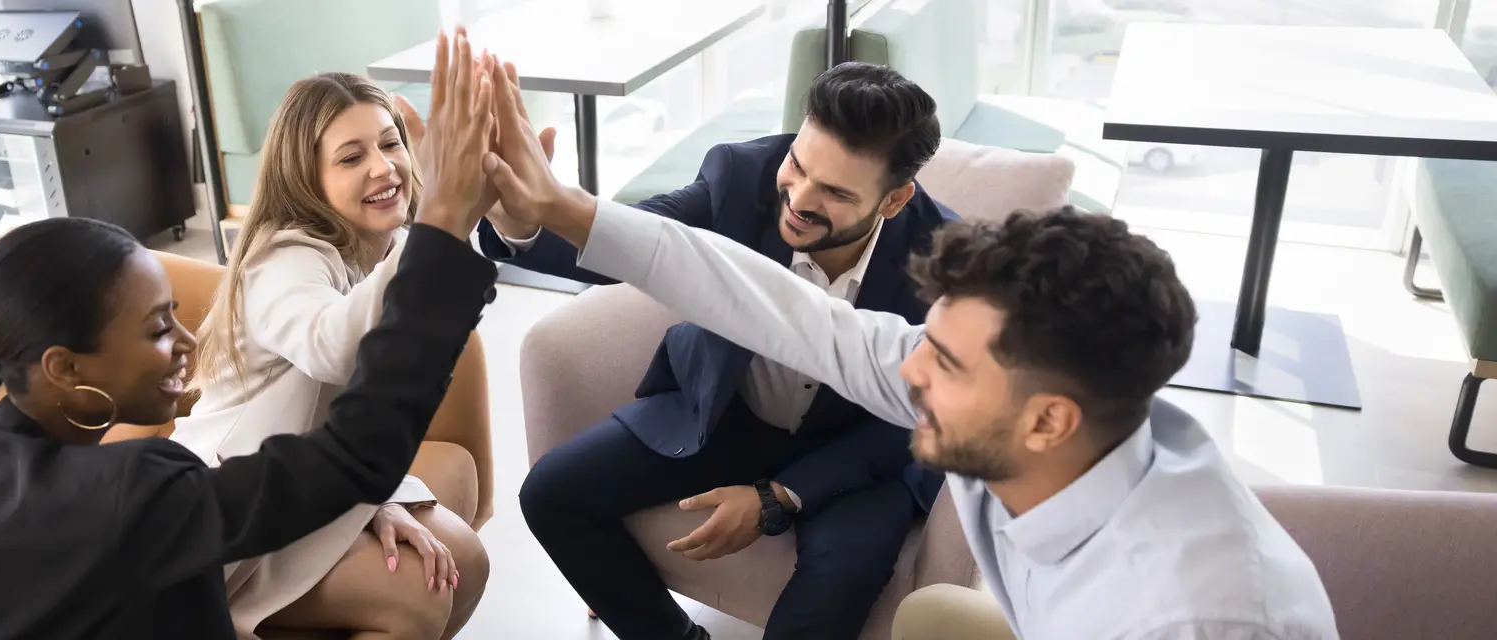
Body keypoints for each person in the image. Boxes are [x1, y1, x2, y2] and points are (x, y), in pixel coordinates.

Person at [477, 62, 1341, 638]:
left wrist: (780, 496)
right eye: (926, 342)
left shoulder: (1190, 614)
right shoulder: (1049, 430)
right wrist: (551, 208)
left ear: (1048, 421)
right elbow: (768, 304)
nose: (906, 371)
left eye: (945, 364)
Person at [0, 31, 503, 640]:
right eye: (156, 327)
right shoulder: (134, 494)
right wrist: (441, 225)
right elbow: (356, 450)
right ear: (65, 366)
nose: (189, 341)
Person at [484, 61, 957, 639]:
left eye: (834, 192)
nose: (799, 198)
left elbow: (924, 414)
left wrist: (779, 496)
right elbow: (630, 240)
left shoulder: (947, 259)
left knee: (844, 571)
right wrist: (522, 220)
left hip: (855, 447)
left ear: (894, 199)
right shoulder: (739, 175)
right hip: (727, 414)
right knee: (550, 494)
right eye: (798, 165)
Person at [168, 62, 491, 639]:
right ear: (305, 180)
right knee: (417, 595)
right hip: (236, 507)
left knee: (465, 562)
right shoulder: (283, 258)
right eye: (351, 157)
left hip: (312, 478)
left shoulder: (384, 246)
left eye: (390, 143)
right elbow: (336, 350)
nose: (383, 166)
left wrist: (370, 503)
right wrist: (436, 228)